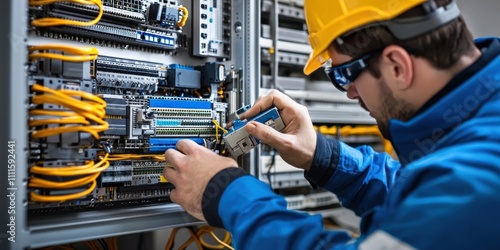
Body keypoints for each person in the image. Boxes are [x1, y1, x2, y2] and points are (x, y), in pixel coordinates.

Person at [163, 0, 500, 248]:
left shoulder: (477, 178)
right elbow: (421, 198)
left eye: (343, 74)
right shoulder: (480, 136)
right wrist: (322, 156)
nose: (351, 93)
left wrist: (228, 193)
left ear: (397, 65)